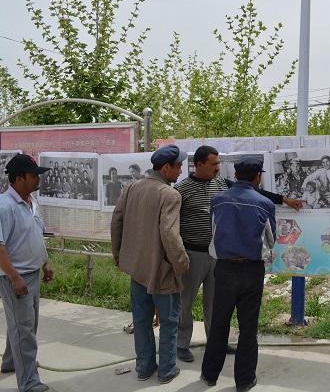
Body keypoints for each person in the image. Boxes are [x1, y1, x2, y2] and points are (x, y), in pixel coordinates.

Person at [174, 146, 303, 363]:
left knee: (214, 304)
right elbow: (173, 222)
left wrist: (284, 199)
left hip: (219, 256)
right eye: (214, 164)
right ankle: (181, 344)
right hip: (193, 253)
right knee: (185, 302)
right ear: (199, 165)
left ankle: (216, 342)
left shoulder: (220, 183)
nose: (218, 167)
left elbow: (253, 191)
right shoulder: (181, 189)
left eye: (219, 163)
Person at [111, 145, 190, 385]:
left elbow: (116, 222)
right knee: (169, 322)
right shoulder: (170, 194)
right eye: (178, 166)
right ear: (166, 168)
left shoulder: (131, 187)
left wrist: (119, 257)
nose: (180, 171)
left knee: (142, 320)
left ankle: (144, 368)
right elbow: (170, 234)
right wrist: (181, 264)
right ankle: (166, 370)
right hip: (162, 271)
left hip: (136, 269)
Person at [200, 157, 276, 392]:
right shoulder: (265, 203)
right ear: (258, 177)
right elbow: (271, 241)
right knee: (248, 328)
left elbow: (213, 230)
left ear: (235, 175)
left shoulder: (218, 201)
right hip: (252, 270)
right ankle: (244, 380)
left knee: (219, 323)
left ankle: (209, 375)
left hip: (224, 269)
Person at [0, 153, 56, 392]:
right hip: (16, 277)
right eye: (34, 176)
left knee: (26, 325)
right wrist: (14, 277)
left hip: (32, 273)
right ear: (18, 178)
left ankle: (13, 362)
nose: (38, 179)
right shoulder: (5, 207)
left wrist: (45, 262)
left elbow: (36, 234)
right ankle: (29, 382)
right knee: (24, 330)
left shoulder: (31, 202)